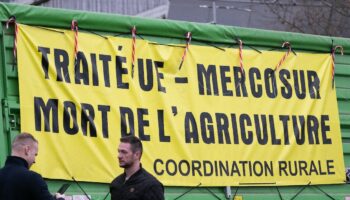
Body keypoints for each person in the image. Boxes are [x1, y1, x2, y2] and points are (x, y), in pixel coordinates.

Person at [0, 132, 65, 200]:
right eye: (35, 154)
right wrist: (60, 199)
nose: (34, 161)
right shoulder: (33, 178)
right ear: (27, 150)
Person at [110, 135, 164, 200]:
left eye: (124, 152)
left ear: (137, 155)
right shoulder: (116, 183)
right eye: (119, 151)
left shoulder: (151, 185)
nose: (119, 156)